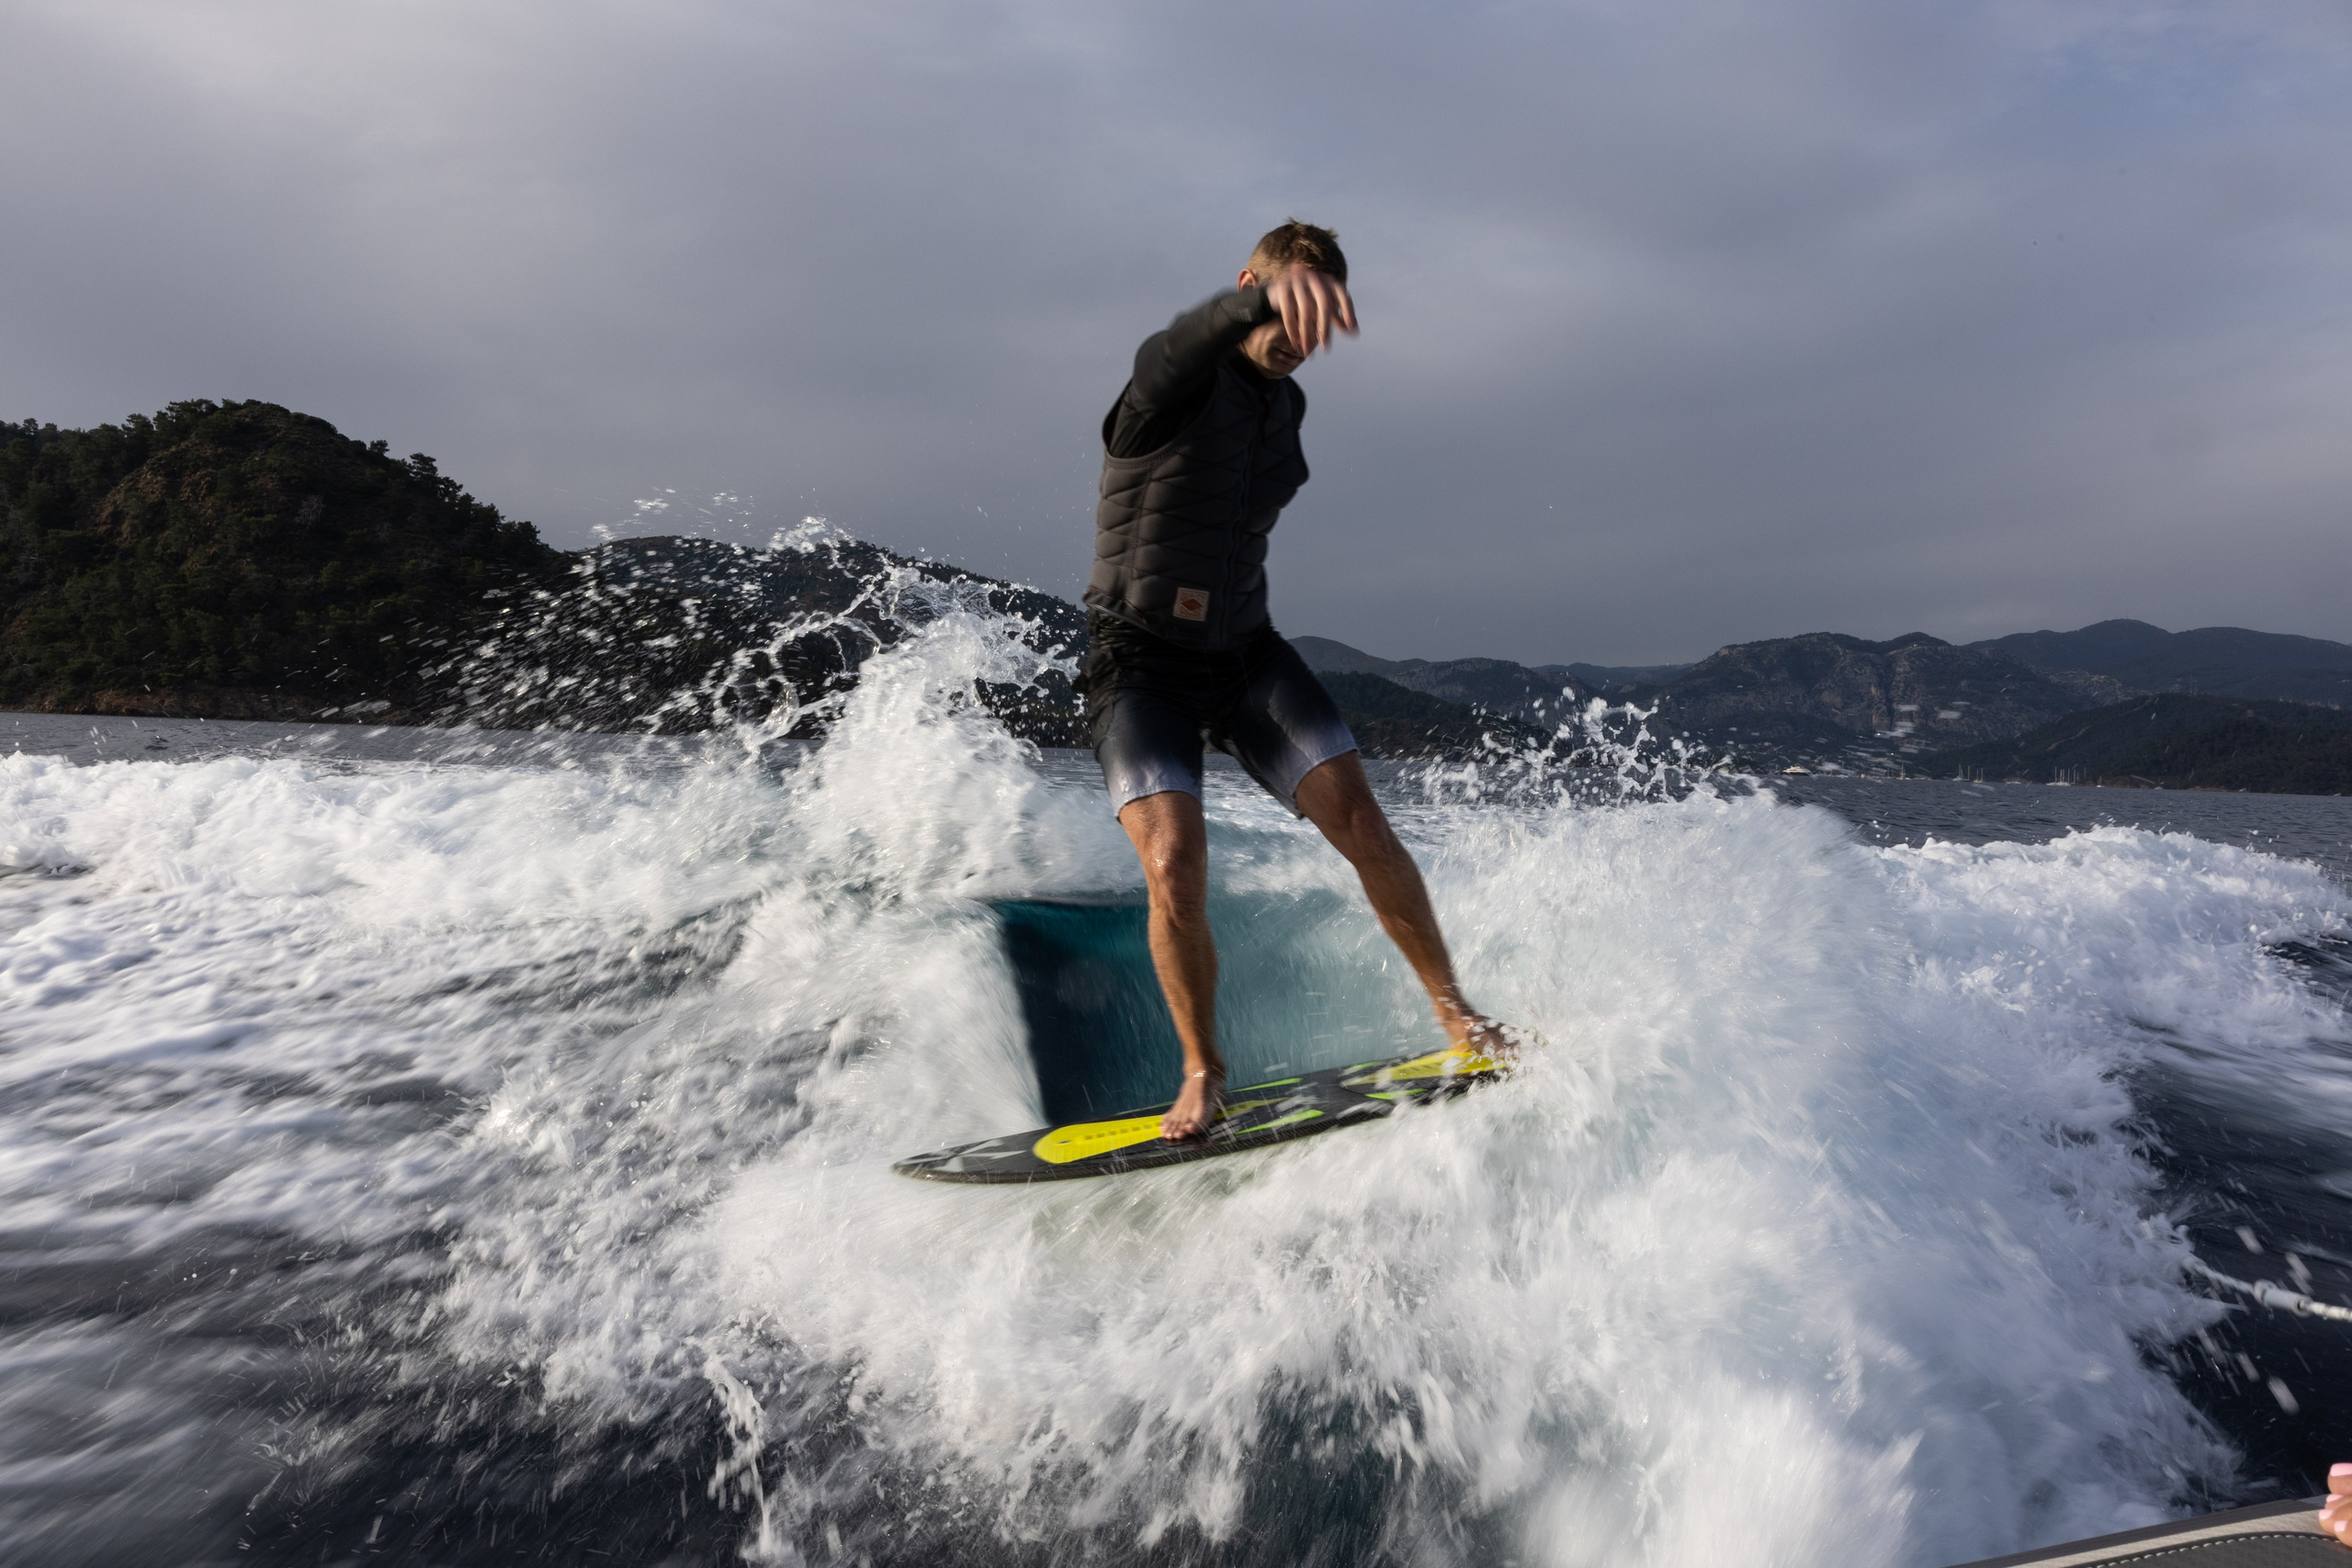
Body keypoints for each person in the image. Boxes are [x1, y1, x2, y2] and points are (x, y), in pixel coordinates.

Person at [1080, 219, 1508, 1142]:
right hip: (1140, 660)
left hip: (1243, 655)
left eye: (1315, 323)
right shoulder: (1170, 378)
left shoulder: (1284, 409)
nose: (1298, 337)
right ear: (1250, 284)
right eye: (1285, 308)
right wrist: (1250, 305)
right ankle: (1202, 1071)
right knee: (1173, 864)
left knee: (1364, 824)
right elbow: (1179, 339)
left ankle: (1456, 1017)